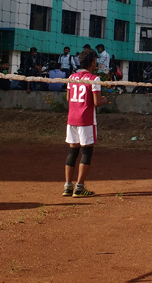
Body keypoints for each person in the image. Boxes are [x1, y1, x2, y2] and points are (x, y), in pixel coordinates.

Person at [63, 49, 107, 198]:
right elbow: (97, 102)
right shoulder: (94, 79)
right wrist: (104, 100)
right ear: (93, 62)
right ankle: (79, 187)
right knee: (86, 153)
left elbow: (68, 98)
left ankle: (67, 186)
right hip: (86, 120)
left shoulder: (72, 77)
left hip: (72, 120)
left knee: (73, 152)